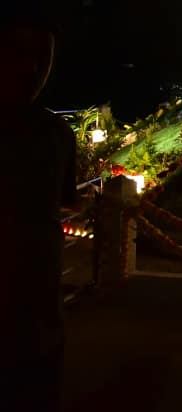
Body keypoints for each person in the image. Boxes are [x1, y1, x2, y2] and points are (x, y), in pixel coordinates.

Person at [0, 21, 78, 412]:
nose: (32, 69)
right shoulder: (56, 132)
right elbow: (67, 199)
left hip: (34, 274)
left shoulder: (56, 132)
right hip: (37, 269)